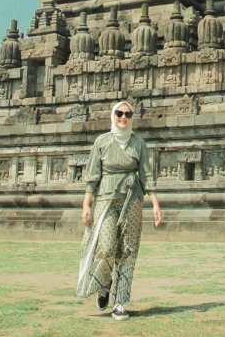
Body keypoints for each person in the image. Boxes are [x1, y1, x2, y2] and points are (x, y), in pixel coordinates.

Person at [76, 100, 162, 321]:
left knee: (127, 250)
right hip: (106, 199)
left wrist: (154, 202)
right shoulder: (102, 142)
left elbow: (146, 174)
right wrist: (86, 204)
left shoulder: (138, 143)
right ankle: (104, 283)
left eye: (128, 114)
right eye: (119, 113)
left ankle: (119, 302)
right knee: (105, 247)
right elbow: (93, 175)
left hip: (132, 200)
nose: (124, 117)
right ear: (112, 116)